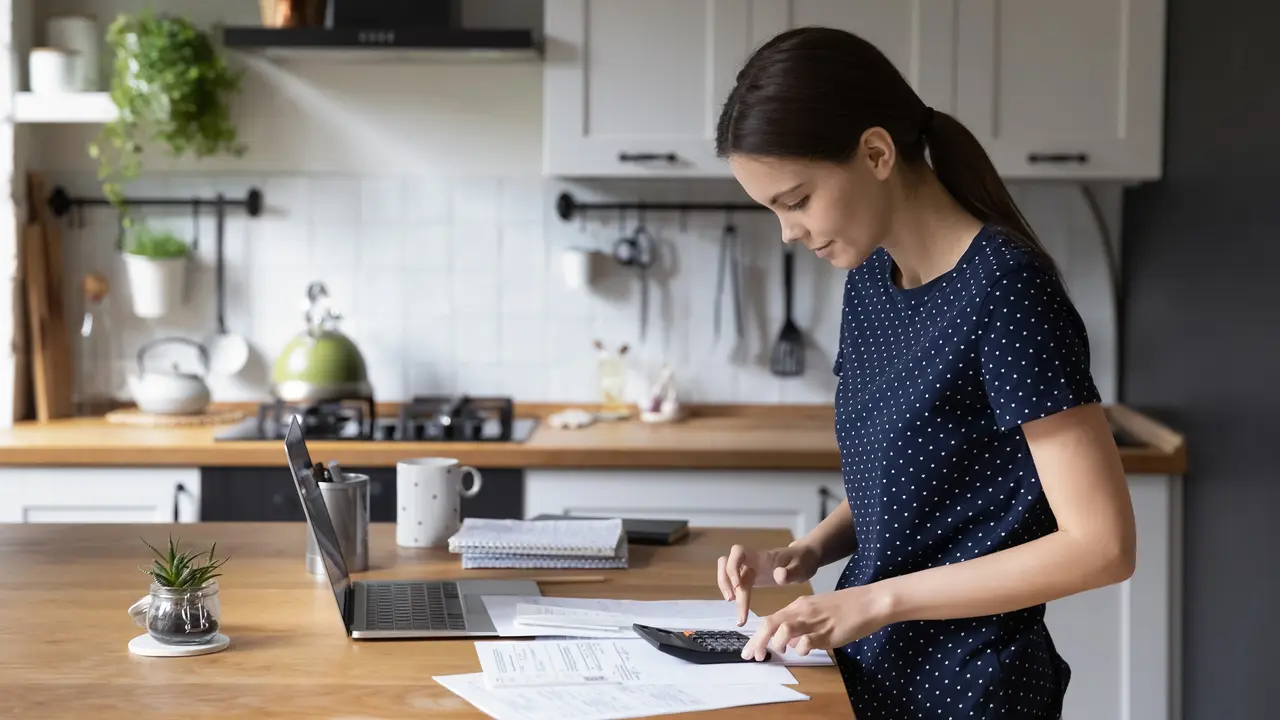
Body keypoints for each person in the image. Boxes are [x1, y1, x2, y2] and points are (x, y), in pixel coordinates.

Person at [712, 27, 1136, 720]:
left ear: (876, 153)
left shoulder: (1007, 290)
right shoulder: (873, 279)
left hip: (973, 690)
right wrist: (803, 552)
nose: (786, 233)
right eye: (772, 211)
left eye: (795, 201)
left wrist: (875, 599)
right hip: (878, 677)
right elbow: (921, 479)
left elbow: (1103, 546)